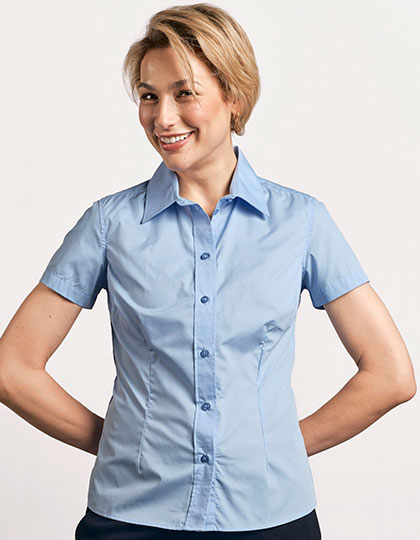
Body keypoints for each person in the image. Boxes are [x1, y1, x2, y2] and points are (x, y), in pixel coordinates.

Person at [0, 3, 416, 539]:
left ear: (234, 96)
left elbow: (390, 376)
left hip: (271, 520)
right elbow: (13, 368)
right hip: (131, 520)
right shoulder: (109, 224)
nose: (162, 118)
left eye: (184, 93)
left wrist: (277, 448)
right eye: (149, 96)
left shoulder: (302, 222)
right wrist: (124, 443)